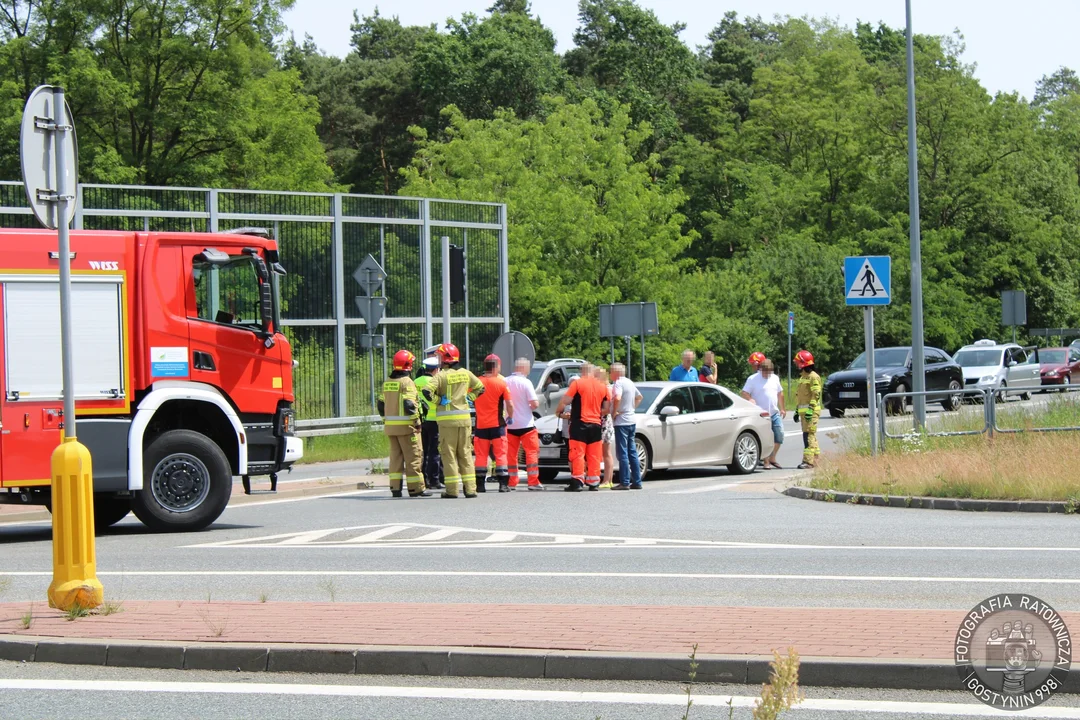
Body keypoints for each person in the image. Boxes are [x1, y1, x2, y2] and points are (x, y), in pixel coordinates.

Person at [432, 343, 485, 498]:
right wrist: (470, 398)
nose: (439, 360)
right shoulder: (466, 373)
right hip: (464, 420)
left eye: (440, 357)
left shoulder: (441, 375)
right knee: (465, 454)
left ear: (446, 358)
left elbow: (426, 391)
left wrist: (438, 400)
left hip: (447, 422)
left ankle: (452, 490)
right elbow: (481, 388)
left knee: (449, 455)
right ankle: (470, 489)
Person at [377, 350, 429, 498]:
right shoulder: (407, 382)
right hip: (407, 428)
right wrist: (417, 422)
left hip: (391, 428)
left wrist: (385, 421)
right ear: (408, 365)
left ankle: (395, 488)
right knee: (413, 458)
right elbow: (409, 404)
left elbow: (381, 404)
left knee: (395, 459)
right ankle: (416, 489)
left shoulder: (388, 381)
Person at [555, 363, 607, 491]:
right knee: (594, 455)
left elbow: (566, 400)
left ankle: (577, 482)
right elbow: (606, 408)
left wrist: (559, 412)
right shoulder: (602, 386)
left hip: (579, 424)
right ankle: (594, 482)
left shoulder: (577, 384)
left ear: (582, 371)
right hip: (596, 425)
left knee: (577, 453)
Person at [473, 354, 514, 493]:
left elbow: (469, 398)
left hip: (480, 426)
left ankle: (480, 485)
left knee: (480, 456)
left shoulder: (476, 383)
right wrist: (511, 417)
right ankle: (503, 485)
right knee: (501, 454)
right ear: (496, 367)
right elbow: (510, 405)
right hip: (498, 425)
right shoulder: (501, 383)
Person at [505, 357, 544, 490]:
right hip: (526, 424)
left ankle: (511, 482)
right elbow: (534, 403)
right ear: (524, 368)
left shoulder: (505, 381)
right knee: (531, 452)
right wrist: (529, 406)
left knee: (511, 455)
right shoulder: (526, 382)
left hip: (510, 425)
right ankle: (533, 482)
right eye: (528, 368)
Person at [741, 358, 786, 469]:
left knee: (779, 434)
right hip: (761, 414)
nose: (767, 374)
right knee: (765, 438)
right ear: (760, 369)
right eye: (765, 372)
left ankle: (772, 457)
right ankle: (766, 462)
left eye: (769, 372)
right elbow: (744, 392)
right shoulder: (753, 379)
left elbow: (780, 393)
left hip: (774, 413)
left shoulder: (775, 378)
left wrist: (783, 408)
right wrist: (750, 399)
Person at [610, 362, 643, 490]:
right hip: (631, 419)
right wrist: (631, 408)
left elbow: (617, 398)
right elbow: (639, 397)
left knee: (622, 452)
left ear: (616, 373)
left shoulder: (618, 383)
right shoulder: (629, 382)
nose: (610, 374)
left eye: (611, 371)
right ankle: (637, 481)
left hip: (622, 421)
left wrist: (615, 412)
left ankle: (624, 481)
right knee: (632, 451)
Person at [412, 356, 444, 490]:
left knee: (422, 450)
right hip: (435, 420)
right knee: (435, 452)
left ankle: (424, 479)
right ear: (436, 369)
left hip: (421, 420)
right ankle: (434, 479)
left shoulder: (415, 381)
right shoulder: (436, 381)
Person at [793, 350, 823, 470]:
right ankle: (816, 460)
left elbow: (816, 394)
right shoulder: (803, 377)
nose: (796, 364)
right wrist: (796, 410)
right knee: (810, 434)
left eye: (798, 362)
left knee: (808, 435)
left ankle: (808, 462)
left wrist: (810, 409)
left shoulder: (813, 377)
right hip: (804, 413)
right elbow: (801, 396)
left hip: (811, 412)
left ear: (803, 363)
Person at [596, 366, 615, 489]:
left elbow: (607, 409)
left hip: (604, 422)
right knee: (605, 452)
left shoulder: (607, 389)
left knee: (606, 452)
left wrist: (594, 411)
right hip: (604, 422)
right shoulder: (609, 387)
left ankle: (607, 479)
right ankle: (608, 479)